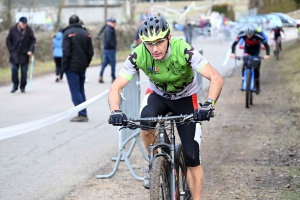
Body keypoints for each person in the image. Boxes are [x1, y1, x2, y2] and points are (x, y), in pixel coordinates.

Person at [107, 16, 224, 199]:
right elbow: (116, 87)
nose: (154, 49)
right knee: (145, 123)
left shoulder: (183, 49)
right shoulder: (138, 54)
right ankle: (155, 163)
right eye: (149, 44)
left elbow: (216, 77)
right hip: (158, 97)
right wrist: (115, 110)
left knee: (192, 155)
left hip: (186, 98)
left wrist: (208, 104)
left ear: (169, 38)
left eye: (159, 42)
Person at [62, 15, 94, 122]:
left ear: (69, 22)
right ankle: (83, 112)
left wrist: (63, 68)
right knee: (80, 90)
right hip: (82, 66)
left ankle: (82, 114)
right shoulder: (86, 33)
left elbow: (66, 53)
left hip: (71, 66)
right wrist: (86, 63)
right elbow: (91, 52)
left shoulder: (67, 34)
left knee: (75, 91)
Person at [230, 23, 270, 94]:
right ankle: (243, 82)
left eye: (251, 34)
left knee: (256, 66)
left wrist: (267, 54)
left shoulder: (258, 35)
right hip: (247, 50)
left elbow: (266, 45)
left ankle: (257, 84)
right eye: (247, 35)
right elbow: (234, 44)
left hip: (256, 51)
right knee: (245, 63)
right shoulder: (242, 34)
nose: (249, 36)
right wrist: (233, 53)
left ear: (253, 32)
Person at [6, 16, 36, 93]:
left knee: (24, 71)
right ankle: (15, 85)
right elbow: (8, 40)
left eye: (25, 23)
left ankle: (23, 86)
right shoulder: (13, 29)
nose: (24, 25)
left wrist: (30, 50)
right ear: (19, 22)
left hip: (24, 54)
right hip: (14, 53)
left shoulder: (28, 29)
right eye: (23, 23)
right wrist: (11, 49)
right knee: (14, 70)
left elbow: (33, 40)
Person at [97, 17, 117, 83]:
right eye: (112, 22)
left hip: (106, 48)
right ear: (109, 22)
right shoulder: (109, 29)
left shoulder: (107, 28)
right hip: (110, 49)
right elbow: (108, 40)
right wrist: (113, 45)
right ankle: (113, 77)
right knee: (113, 64)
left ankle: (100, 76)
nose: (114, 24)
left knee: (105, 63)